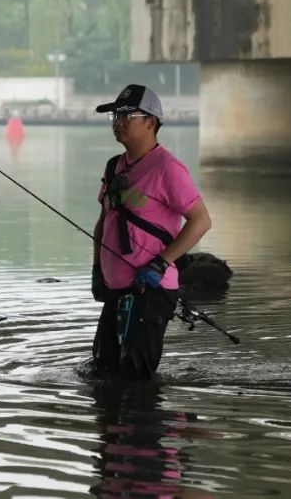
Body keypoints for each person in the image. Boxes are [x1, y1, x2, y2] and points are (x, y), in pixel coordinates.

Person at [90, 84, 212, 380]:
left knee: (136, 378)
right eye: (115, 116)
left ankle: (151, 412)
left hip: (151, 289)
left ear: (151, 121)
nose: (118, 122)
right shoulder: (114, 167)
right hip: (116, 288)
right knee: (102, 370)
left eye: (127, 115)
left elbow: (200, 221)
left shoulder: (167, 168)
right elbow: (104, 220)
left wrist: (160, 263)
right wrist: (96, 269)